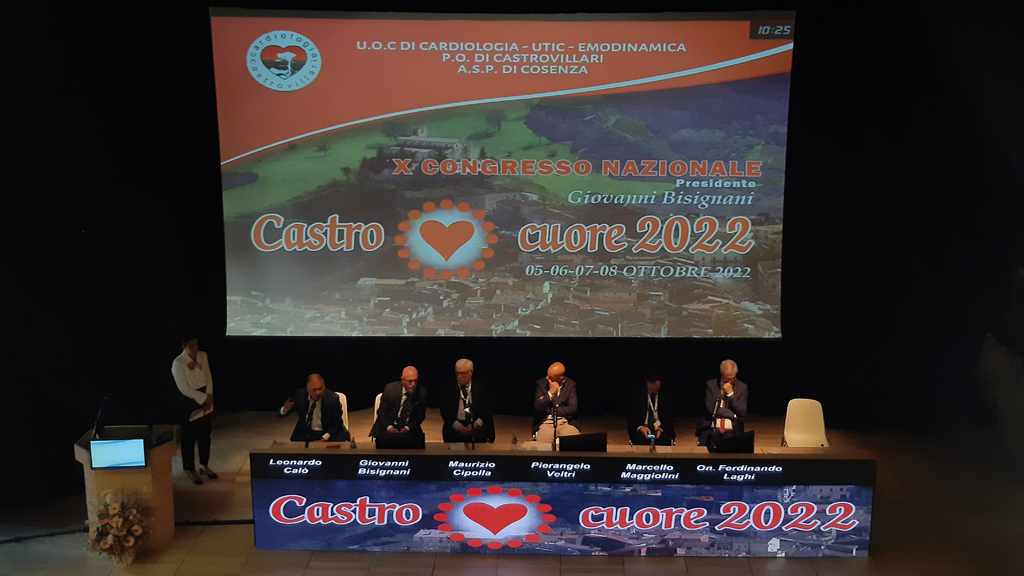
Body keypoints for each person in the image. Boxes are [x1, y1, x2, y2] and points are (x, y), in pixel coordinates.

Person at [171, 333, 217, 485]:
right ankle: (190, 468)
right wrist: (203, 399)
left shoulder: (203, 356)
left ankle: (204, 464)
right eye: (191, 346)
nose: (195, 348)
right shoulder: (178, 362)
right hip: (188, 400)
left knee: (205, 434)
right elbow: (184, 388)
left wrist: (209, 396)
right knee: (189, 437)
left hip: (205, 396)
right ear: (183, 347)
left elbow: (208, 376)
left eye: (196, 345)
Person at [279, 374, 349, 442]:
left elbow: (337, 424)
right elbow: (281, 413)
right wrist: (284, 410)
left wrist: (324, 439)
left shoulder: (333, 399)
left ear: (324, 386)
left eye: (320, 388)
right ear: (307, 389)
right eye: (314, 390)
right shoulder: (300, 395)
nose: (318, 393)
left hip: (327, 431)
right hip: (307, 432)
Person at [441, 359, 495, 443]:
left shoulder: (482, 386)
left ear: (470, 373)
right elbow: (445, 410)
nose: (459, 377)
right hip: (456, 426)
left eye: (462, 373)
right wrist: (458, 426)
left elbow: (489, 408)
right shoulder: (448, 386)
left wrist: (476, 424)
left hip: (477, 425)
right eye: (457, 373)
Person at [696, 359, 749, 445]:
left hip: (732, 429)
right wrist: (732, 414)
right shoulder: (711, 385)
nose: (729, 381)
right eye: (726, 378)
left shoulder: (742, 387)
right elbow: (711, 410)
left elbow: (742, 411)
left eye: (732, 378)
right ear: (721, 374)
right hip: (712, 426)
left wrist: (730, 394)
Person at [371, 366, 427, 438]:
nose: (413, 384)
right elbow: (382, 413)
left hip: (409, 428)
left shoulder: (422, 393)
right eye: (410, 381)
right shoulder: (390, 390)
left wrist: (407, 428)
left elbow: (420, 416)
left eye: (415, 381)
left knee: (417, 441)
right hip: (387, 426)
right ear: (402, 380)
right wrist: (389, 427)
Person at [533, 362, 580, 443]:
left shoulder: (570, 384)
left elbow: (572, 408)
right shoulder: (541, 383)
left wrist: (552, 410)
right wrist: (550, 393)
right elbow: (538, 407)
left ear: (560, 377)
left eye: (551, 376)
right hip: (547, 422)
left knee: (572, 443)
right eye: (547, 374)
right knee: (543, 445)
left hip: (566, 422)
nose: (547, 378)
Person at [627, 370, 675, 446]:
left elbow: (670, 417)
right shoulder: (637, 393)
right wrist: (641, 428)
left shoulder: (667, 394)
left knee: (663, 439)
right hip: (642, 426)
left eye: (657, 386)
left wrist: (661, 428)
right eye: (651, 387)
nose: (654, 389)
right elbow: (631, 416)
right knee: (640, 439)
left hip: (661, 427)